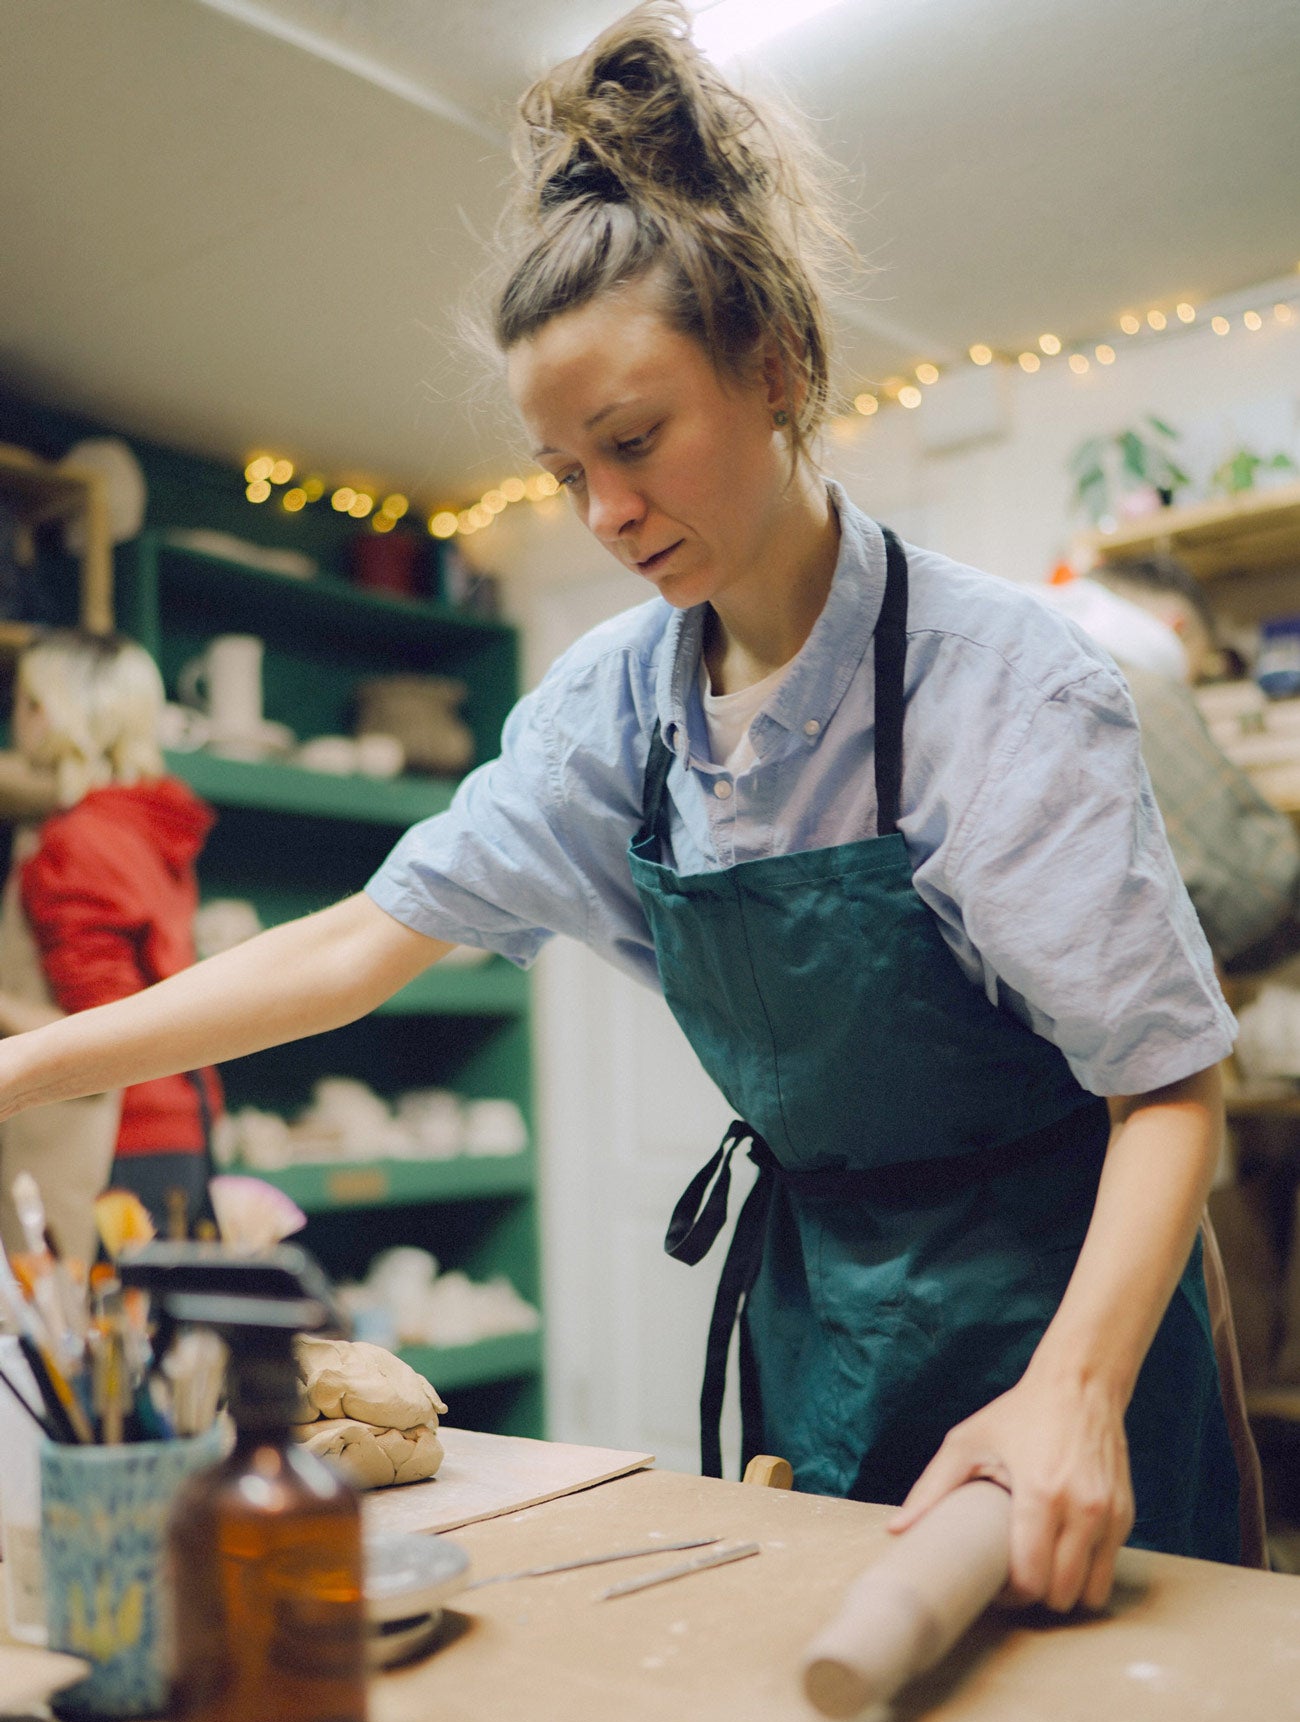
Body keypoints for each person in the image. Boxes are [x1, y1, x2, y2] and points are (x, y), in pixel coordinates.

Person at [0, 3, 1255, 1607]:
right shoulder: (616, 709)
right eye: (561, 471)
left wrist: (1073, 1391)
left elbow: (1169, 1085)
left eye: (636, 441)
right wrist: (23, 1068)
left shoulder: (997, 682)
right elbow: (357, 945)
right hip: (825, 1312)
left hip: (1068, 1309)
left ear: (777, 364)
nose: (604, 511)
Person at [0, 631, 220, 1256]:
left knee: (80, 1320)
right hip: (180, 1127)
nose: (16, 721)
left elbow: (104, 1033)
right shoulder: (143, 825)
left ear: (51, 714)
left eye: (24, 702)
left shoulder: (77, 841)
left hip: (112, 1150)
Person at [1045, 559, 1300, 969]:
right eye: (1191, 677)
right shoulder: (1129, 691)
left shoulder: (1033, 656)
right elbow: (1257, 896)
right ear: (1177, 627)